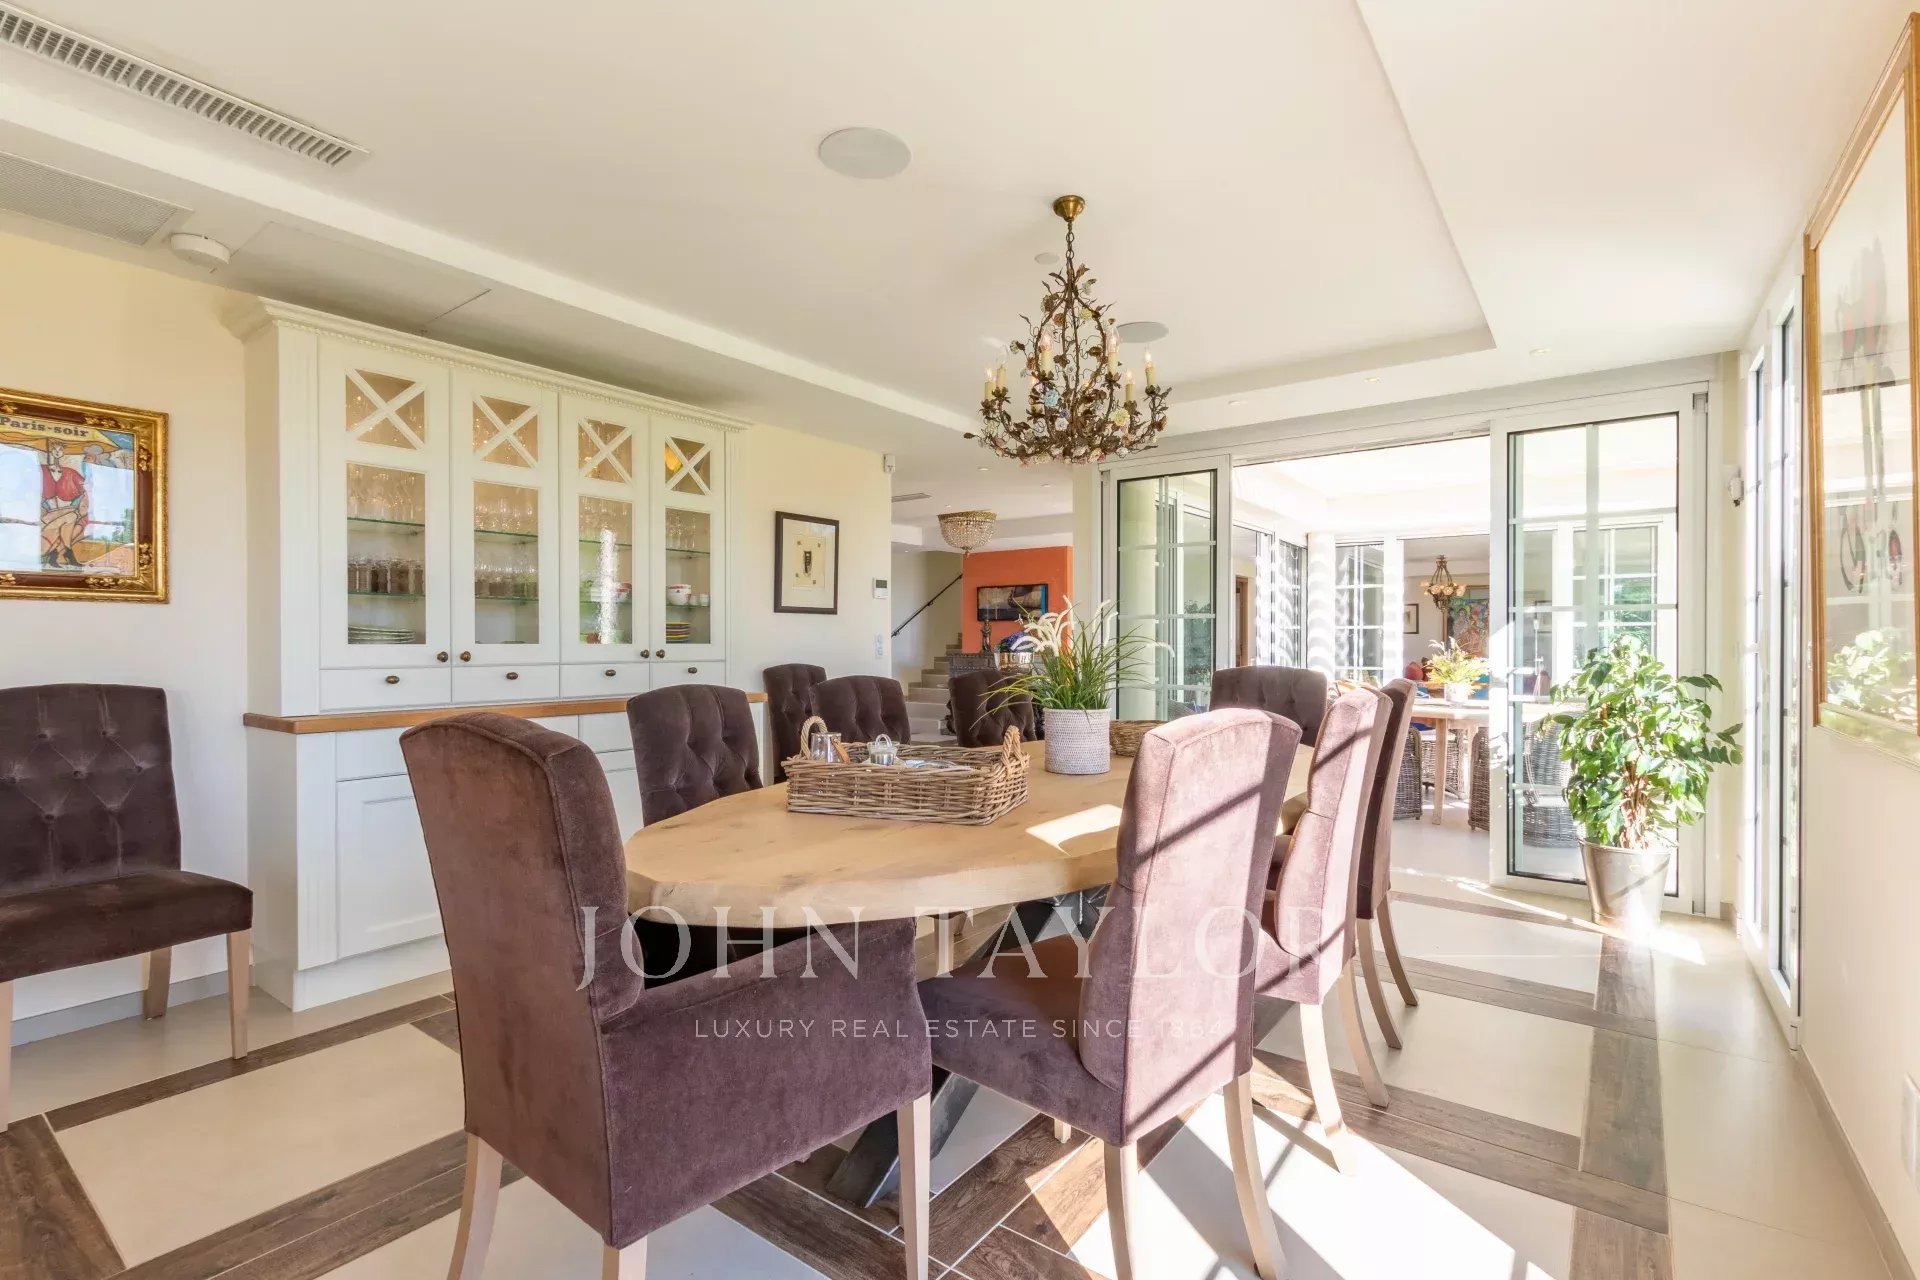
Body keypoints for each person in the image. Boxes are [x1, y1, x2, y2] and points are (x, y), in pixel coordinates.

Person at [39, 440, 89, 568]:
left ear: (63, 452)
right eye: (54, 449)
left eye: (60, 449)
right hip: (47, 518)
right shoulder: (41, 470)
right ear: (50, 451)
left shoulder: (69, 472)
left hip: (63, 514)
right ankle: (67, 551)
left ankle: (57, 554)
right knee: (71, 516)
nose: (57, 452)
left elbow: (85, 487)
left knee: (71, 517)